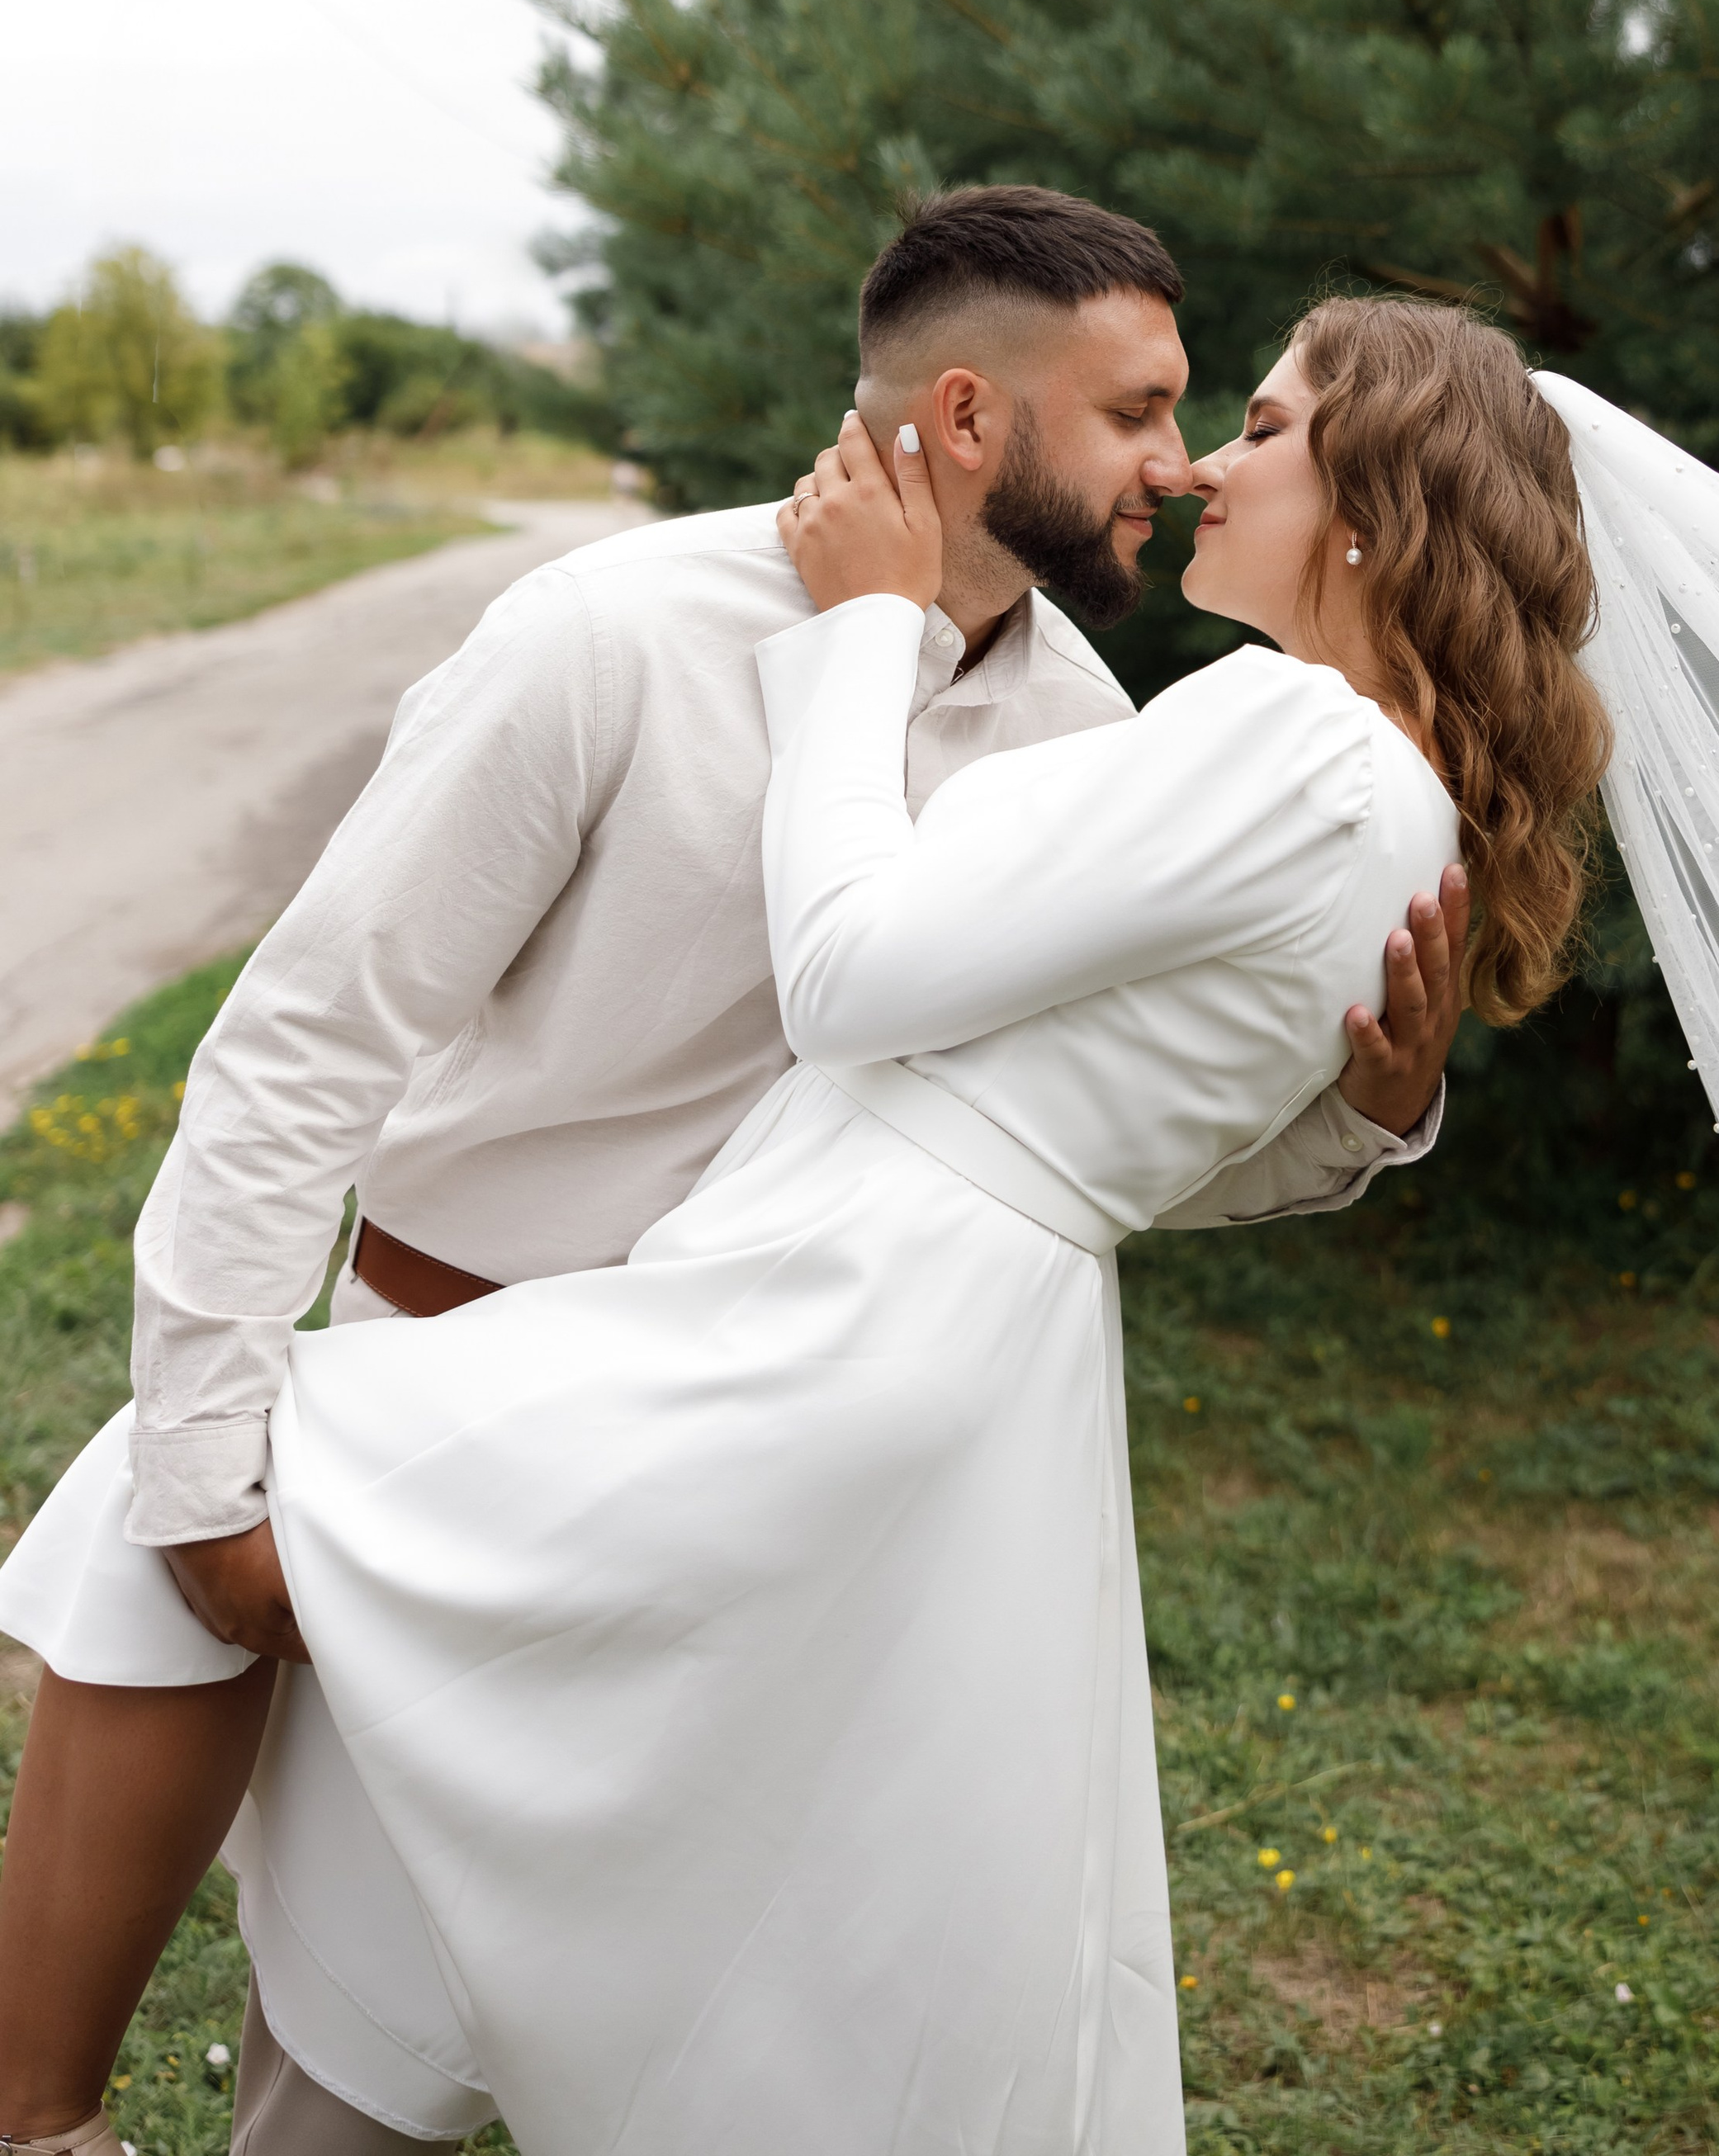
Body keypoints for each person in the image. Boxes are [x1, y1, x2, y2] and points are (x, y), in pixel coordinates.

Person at [2, 291, 1596, 2156]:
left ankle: (38, 2123)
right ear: (967, 414)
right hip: (611, 1350)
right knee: (329, 1761)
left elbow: (974, 1075)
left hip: (798, 1368)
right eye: (1149, 413)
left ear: (1376, 504)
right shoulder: (617, 630)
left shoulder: (1150, 727)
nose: (1184, 467)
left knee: (211, 1546)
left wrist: (862, 640)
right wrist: (1362, 1116)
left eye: (1236, 423)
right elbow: (314, 1039)